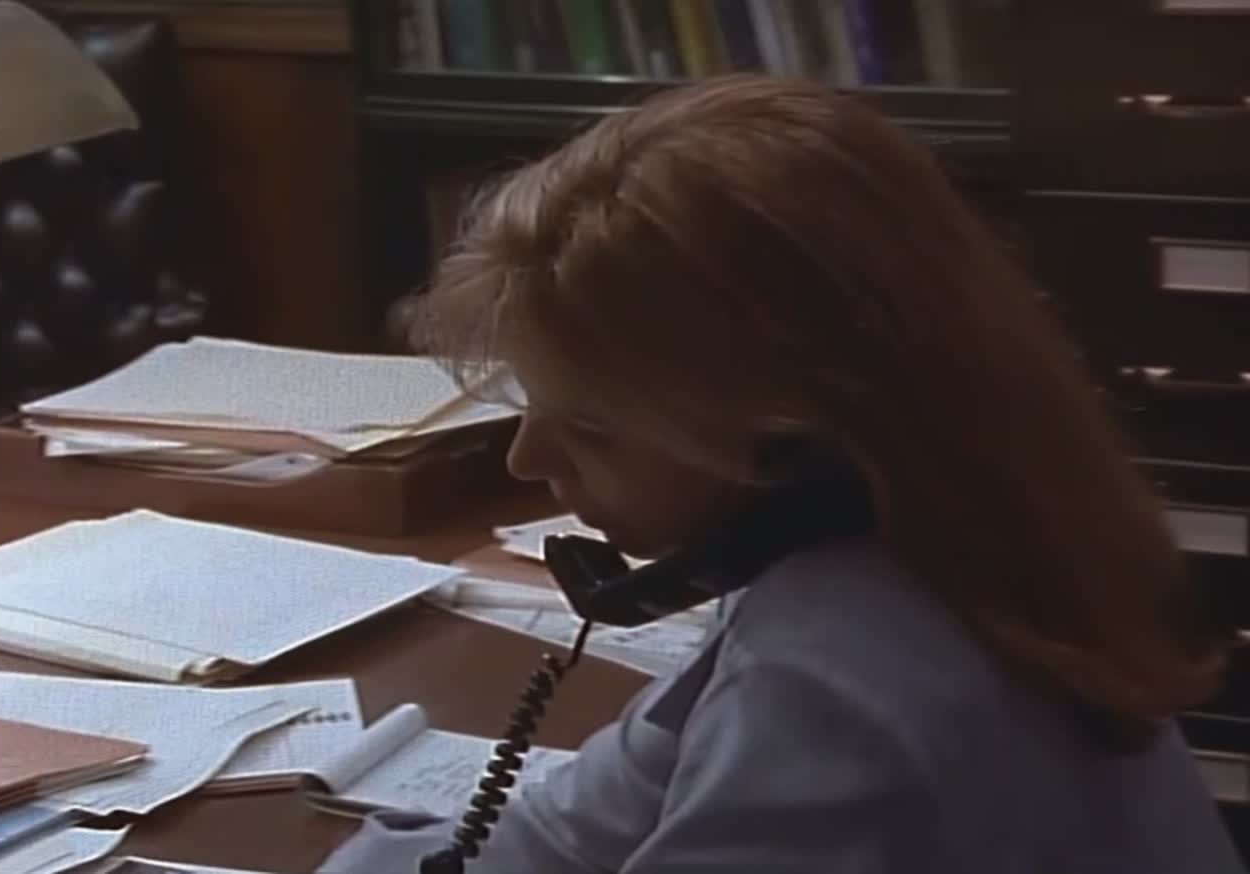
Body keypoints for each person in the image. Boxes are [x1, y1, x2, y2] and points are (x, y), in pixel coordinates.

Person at [319, 75, 1242, 873]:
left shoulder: (841, 687)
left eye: (592, 428)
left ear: (795, 437)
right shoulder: (926, 547)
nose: (528, 460)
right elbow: (569, 834)